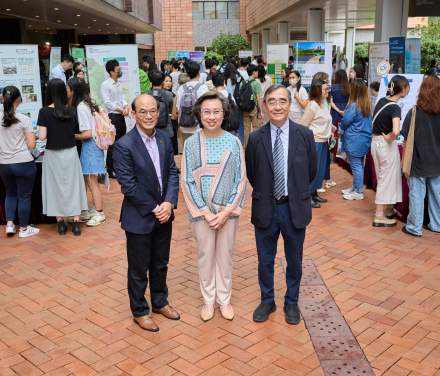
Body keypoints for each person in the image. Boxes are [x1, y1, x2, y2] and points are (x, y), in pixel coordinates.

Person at [245, 84, 317, 325]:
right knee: (265, 259)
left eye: (282, 101)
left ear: (289, 104)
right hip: (265, 207)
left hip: (294, 207)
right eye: (272, 101)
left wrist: (294, 193)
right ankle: (268, 300)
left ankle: (291, 301)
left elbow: (310, 172)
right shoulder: (255, 138)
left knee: (294, 259)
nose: (277, 106)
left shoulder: (304, 135)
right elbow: (253, 175)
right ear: (264, 106)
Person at [113, 94, 180, 332]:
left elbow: (172, 172)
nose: (148, 115)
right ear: (133, 114)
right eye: (143, 111)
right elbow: (129, 186)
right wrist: (156, 208)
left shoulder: (164, 138)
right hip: (140, 216)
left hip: (165, 214)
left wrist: (170, 203)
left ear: (159, 113)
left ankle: (160, 301)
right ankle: (140, 311)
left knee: (160, 263)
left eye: (153, 110)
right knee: (139, 267)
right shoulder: (123, 145)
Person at [181, 92, 246, 321]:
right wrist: (206, 213)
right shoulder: (190, 144)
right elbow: (187, 181)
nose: (211, 116)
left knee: (225, 256)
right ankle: (209, 301)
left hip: (228, 213)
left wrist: (227, 211)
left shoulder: (233, 141)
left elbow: (241, 179)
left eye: (216, 111)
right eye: (206, 111)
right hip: (202, 215)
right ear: (198, 114)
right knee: (205, 256)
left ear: (224, 114)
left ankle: (224, 300)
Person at [400, 75, 440, 237]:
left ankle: (414, 227)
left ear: (422, 90)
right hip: (438, 161)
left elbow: (406, 138)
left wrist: (404, 161)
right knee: (438, 195)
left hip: (418, 162)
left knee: (416, 195)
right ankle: (439, 225)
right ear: (439, 91)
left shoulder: (414, 112)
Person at [37, 79, 88, 236]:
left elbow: (42, 137)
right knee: (74, 185)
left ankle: (60, 223)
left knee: (54, 187)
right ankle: (77, 223)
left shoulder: (44, 111)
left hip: (53, 154)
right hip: (71, 152)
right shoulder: (71, 110)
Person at [0, 86, 39, 238]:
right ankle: (23, 229)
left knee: (10, 193)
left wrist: (6, 144)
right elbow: (32, 145)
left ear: (2, 99)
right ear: (18, 99)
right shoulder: (24, 119)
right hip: (23, 162)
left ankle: (9, 224)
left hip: (4, 164)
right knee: (24, 196)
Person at [68, 77, 108, 227]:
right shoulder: (87, 104)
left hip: (90, 146)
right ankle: (84, 211)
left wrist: (69, 136)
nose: (66, 90)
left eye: (68, 88)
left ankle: (99, 213)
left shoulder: (81, 107)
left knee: (92, 183)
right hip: (92, 146)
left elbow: (87, 133)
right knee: (87, 181)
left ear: (73, 90)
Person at [371, 75, 409, 227]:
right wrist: (389, 139)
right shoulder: (395, 108)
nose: (408, 90)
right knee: (386, 179)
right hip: (386, 145)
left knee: (384, 177)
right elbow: (396, 130)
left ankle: (389, 209)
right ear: (402, 89)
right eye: (407, 88)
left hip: (375, 142)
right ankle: (379, 215)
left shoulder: (381, 101)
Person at [300, 79, 334, 208]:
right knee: (312, 170)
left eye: (327, 88)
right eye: (325, 89)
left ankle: (314, 193)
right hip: (315, 142)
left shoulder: (324, 103)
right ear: (317, 90)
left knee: (320, 170)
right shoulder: (312, 105)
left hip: (324, 141)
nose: (327, 91)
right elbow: (304, 125)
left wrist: (331, 128)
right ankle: (307, 195)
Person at [340, 79, 372, 201]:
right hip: (364, 139)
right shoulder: (367, 104)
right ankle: (356, 187)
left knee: (356, 166)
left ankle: (358, 191)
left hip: (354, 139)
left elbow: (345, 121)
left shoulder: (354, 106)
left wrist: (341, 131)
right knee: (359, 165)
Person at [101, 59, 131, 180]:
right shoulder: (106, 84)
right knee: (113, 144)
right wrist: (121, 110)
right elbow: (107, 103)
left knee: (122, 142)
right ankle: (110, 169)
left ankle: (120, 167)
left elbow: (122, 98)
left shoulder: (118, 83)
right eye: (118, 70)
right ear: (111, 72)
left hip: (121, 116)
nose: (120, 71)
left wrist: (126, 106)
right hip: (113, 117)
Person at [176, 60, 209, 144]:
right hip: (198, 126)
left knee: (188, 151)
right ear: (199, 72)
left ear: (187, 73)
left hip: (184, 125)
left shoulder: (182, 88)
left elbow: (178, 107)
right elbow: (206, 107)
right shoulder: (203, 87)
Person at [240, 65, 264, 146]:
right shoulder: (256, 83)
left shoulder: (242, 83)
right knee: (256, 128)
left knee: (247, 129)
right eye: (257, 72)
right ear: (253, 72)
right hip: (254, 108)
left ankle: (246, 147)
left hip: (245, 108)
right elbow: (258, 99)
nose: (257, 73)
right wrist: (261, 111)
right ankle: (257, 146)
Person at [147, 70, 174, 138]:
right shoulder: (168, 94)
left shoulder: (146, 95)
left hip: (150, 129)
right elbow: (171, 110)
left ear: (151, 82)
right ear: (162, 82)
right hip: (166, 130)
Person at [225, 63, 245, 144]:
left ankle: (232, 142)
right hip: (240, 103)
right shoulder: (241, 78)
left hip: (232, 104)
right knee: (240, 123)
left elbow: (229, 92)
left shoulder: (229, 80)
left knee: (232, 122)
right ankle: (242, 142)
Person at [175, 73, 190, 154]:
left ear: (179, 84)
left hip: (182, 125)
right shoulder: (195, 92)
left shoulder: (178, 95)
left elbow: (176, 112)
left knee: (183, 150)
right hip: (195, 124)